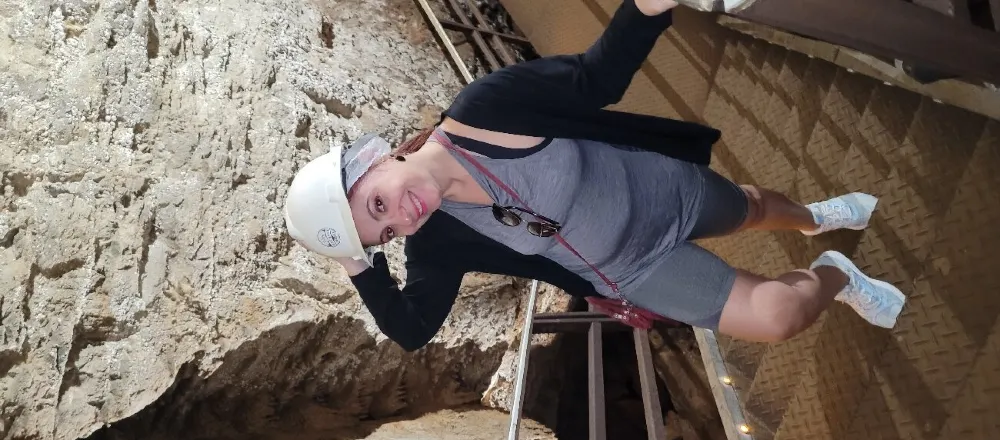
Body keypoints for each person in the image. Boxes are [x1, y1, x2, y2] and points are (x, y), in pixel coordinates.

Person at [283, 0, 906, 352]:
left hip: (662, 190)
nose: (404, 218)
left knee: (754, 208)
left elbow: (594, 77)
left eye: (378, 204)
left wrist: (647, 5)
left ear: (378, 161)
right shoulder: (438, 241)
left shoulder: (484, 111)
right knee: (778, 318)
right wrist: (358, 262)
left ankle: (812, 218)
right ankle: (836, 273)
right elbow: (412, 330)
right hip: (635, 269)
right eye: (387, 233)